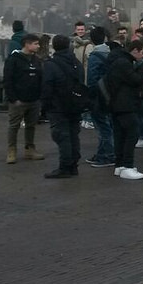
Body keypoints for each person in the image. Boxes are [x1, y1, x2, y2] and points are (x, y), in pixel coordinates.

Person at [105, 39, 143, 180]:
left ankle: (120, 165)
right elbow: (137, 80)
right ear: (135, 51)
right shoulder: (124, 63)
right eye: (142, 52)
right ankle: (127, 165)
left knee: (120, 134)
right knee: (132, 133)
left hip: (117, 104)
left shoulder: (120, 60)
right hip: (125, 104)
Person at [41, 35, 85, 178]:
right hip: (75, 104)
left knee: (62, 136)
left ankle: (65, 167)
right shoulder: (76, 63)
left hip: (58, 107)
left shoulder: (50, 65)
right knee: (73, 135)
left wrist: (45, 106)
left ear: (54, 46)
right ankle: (73, 165)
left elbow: (47, 87)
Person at [3, 33, 46, 164]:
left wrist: (40, 97)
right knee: (14, 126)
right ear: (27, 44)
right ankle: (11, 150)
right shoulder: (13, 59)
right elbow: (8, 80)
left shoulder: (36, 60)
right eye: (35, 44)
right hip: (18, 101)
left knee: (31, 125)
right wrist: (13, 98)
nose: (38, 46)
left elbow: (41, 78)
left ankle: (29, 149)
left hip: (34, 100)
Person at [85, 28, 115, 168]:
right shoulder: (110, 53)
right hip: (109, 94)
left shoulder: (95, 56)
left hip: (98, 96)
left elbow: (91, 80)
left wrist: (90, 97)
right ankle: (102, 153)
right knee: (106, 124)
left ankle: (109, 156)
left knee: (103, 127)